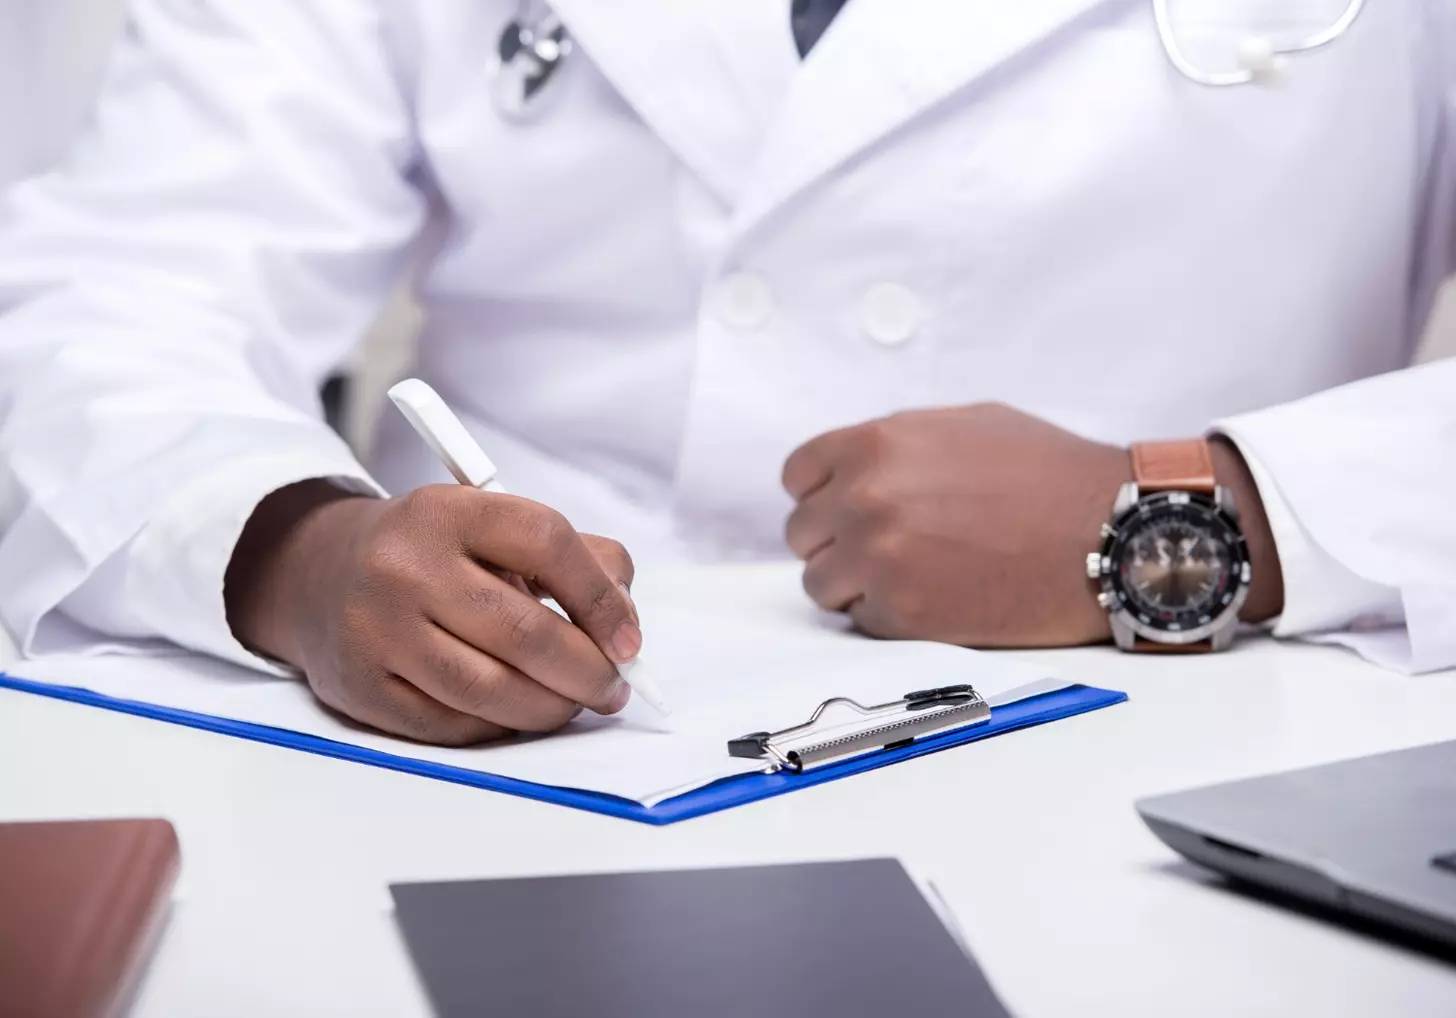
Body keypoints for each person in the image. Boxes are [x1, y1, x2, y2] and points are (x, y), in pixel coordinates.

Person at [0, 0, 1451, 746]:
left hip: (1192, 728)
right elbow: (116, 277)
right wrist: (296, 555)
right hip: (496, 756)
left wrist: (1201, 521)